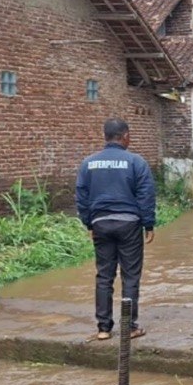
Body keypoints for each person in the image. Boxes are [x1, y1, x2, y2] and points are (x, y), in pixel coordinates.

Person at [76, 118, 156, 341]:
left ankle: (103, 328)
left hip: (101, 223)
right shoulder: (136, 162)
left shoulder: (88, 163)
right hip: (129, 224)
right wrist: (148, 224)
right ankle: (129, 327)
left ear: (106, 137)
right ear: (125, 136)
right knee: (130, 277)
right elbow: (146, 195)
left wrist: (89, 223)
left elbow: (81, 196)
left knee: (104, 276)